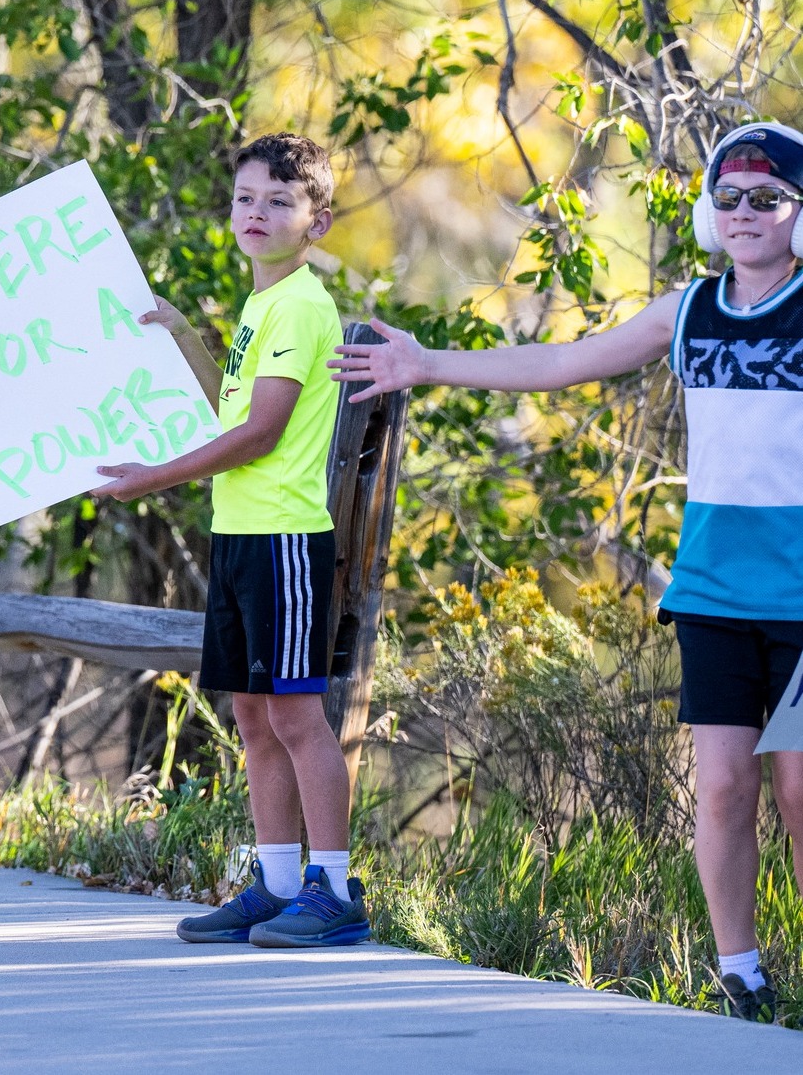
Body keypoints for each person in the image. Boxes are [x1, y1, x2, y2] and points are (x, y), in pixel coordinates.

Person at [330, 121, 803, 1020]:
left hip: (801, 599)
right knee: (723, 787)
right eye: (729, 198)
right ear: (708, 214)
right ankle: (740, 974)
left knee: (799, 788)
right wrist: (424, 363)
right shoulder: (686, 311)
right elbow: (556, 363)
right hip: (712, 593)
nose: (745, 213)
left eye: (768, 198)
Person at [95, 132, 370, 947]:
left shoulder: (299, 304)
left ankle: (334, 891)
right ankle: (278, 884)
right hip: (240, 534)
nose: (257, 212)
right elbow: (230, 404)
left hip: (285, 537)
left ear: (316, 222)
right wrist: (184, 333)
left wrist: (152, 477)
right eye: (246, 198)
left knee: (296, 715)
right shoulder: (261, 303)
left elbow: (260, 432)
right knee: (252, 714)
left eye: (279, 201)